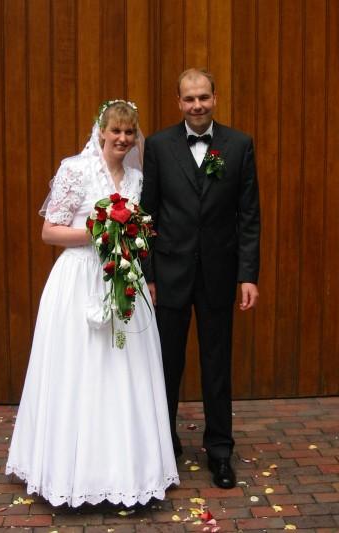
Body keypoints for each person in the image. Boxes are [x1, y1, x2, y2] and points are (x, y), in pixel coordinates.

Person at [6, 100, 179, 507]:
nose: (122, 138)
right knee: (79, 371)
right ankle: (70, 470)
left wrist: (129, 244)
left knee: (122, 373)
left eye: (129, 133)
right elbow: (50, 232)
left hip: (122, 280)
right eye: (115, 131)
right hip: (79, 279)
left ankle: (125, 470)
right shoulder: (75, 170)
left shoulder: (136, 179)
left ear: (135, 138)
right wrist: (100, 228)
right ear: (100, 131)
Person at [141, 69, 260, 489]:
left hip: (218, 274)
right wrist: (149, 275)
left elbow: (248, 215)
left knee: (216, 368)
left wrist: (248, 275)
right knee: (165, 366)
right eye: (189, 98)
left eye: (204, 97)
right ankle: (163, 444)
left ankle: (220, 452)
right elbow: (147, 214)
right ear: (178, 102)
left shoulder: (238, 145)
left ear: (215, 98)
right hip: (170, 274)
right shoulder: (157, 146)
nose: (197, 105)